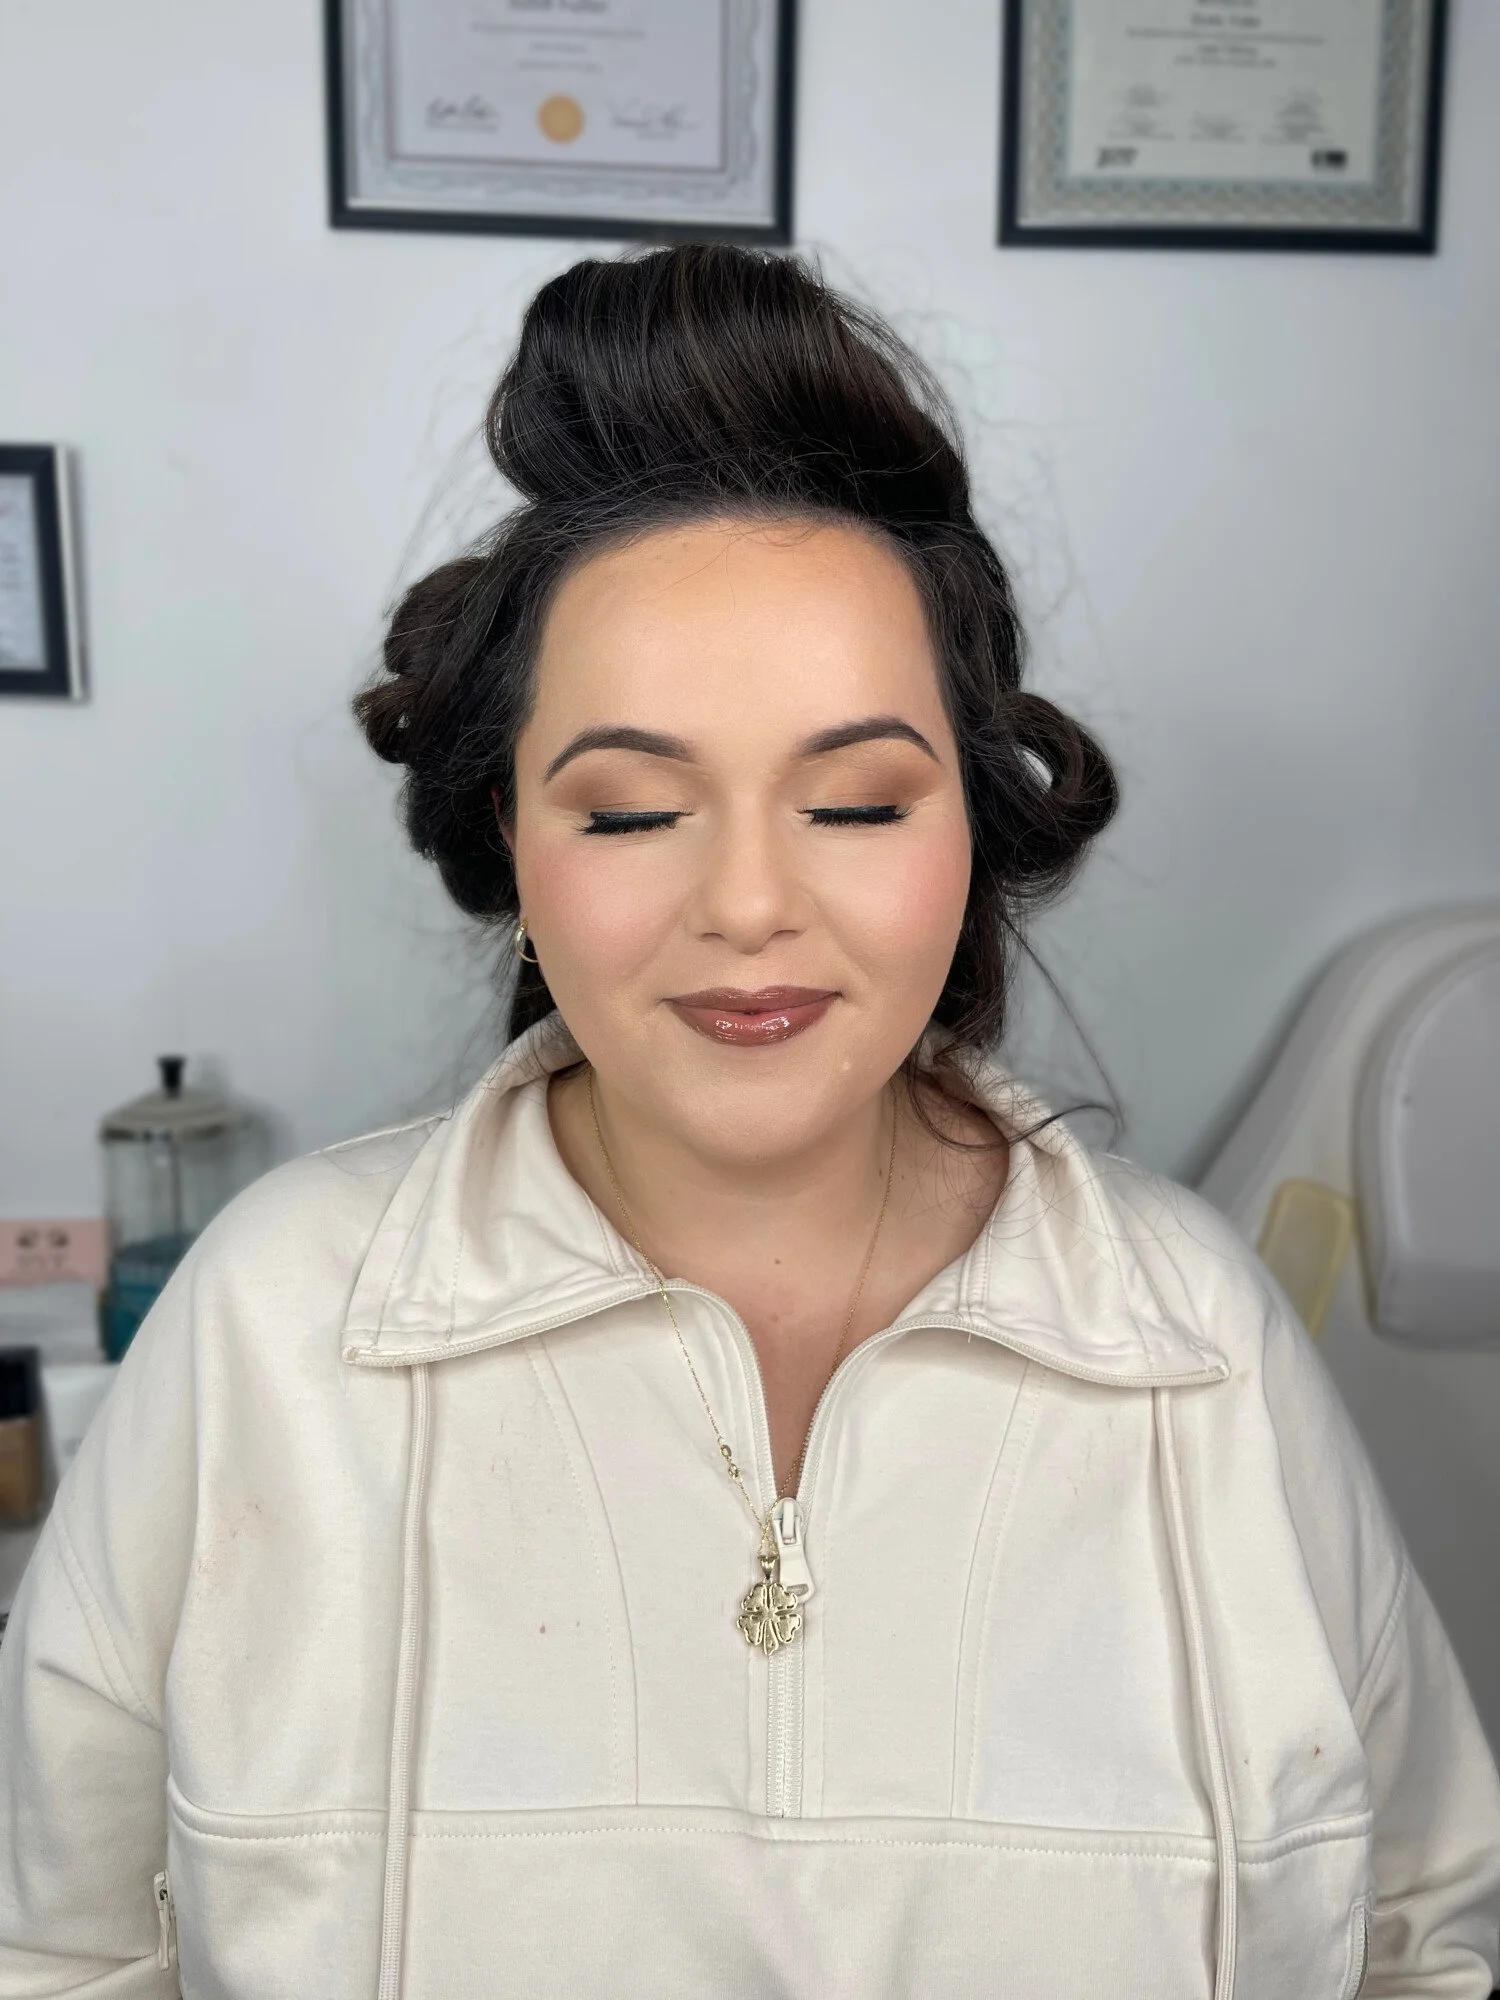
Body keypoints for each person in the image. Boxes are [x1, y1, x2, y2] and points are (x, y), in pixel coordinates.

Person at [1, 245, 1496, 2000]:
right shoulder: (272, 1327)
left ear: (975, 832)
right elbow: (59, 1946)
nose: (750, 903)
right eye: (632, 814)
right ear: (515, 852)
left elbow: (1422, 1937)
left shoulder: (1196, 1351)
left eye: (856, 799)